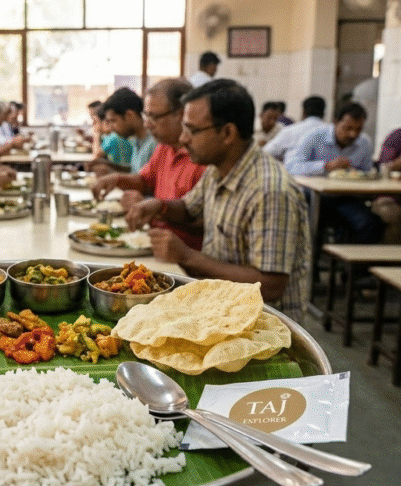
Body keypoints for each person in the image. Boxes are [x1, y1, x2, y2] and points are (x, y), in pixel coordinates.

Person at [125, 79, 310, 321]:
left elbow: (271, 286)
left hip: (260, 325)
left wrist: (187, 256)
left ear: (227, 133)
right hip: (221, 307)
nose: (183, 139)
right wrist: (159, 205)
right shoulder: (218, 168)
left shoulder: (270, 191)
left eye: (192, 130)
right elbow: (190, 210)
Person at [91, 78, 205, 250]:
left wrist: (156, 210)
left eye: (155, 117)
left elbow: (202, 221)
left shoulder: (203, 157)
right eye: (146, 116)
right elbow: (145, 181)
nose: (147, 124)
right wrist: (116, 178)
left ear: (181, 113)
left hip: (180, 254)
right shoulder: (164, 147)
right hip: (151, 241)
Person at [286, 102, 383, 244]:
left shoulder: (364, 143)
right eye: (348, 128)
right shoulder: (315, 136)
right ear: (335, 122)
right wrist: (325, 166)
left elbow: (366, 172)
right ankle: (312, 262)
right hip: (313, 197)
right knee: (309, 225)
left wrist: (358, 174)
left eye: (358, 129)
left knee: (368, 223)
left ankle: (353, 264)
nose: (353, 134)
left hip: (345, 198)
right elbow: (292, 167)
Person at [90, 87, 156, 175]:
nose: (111, 127)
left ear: (130, 115)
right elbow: (136, 172)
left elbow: (145, 182)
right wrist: (109, 166)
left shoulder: (154, 143)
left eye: (113, 121)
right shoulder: (136, 139)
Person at [263, 95, 327, 162]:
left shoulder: (290, 130)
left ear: (303, 112)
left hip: (291, 171)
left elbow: (266, 152)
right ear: (324, 114)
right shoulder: (331, 132)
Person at [89, 100, 132, 171]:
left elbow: (95, 158)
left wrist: (96, 134)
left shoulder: (113, 138)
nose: (94, 125)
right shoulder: (111, 137)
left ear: (105, 122)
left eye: (96, 122)